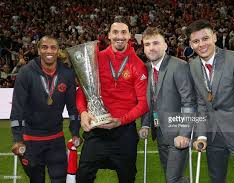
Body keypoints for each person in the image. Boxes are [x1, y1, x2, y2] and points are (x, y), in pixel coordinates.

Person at [186, 19, 234, 183]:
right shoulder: (192, 66)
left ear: (214, 37)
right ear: (190, 45)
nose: (201, 44)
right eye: (196, 41)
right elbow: (201, 103)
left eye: (205, 38)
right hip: (213, 137)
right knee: (216, 179)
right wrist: (201, 136)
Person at [76, 17, 148, 183]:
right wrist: (83, 112)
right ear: (108, 35)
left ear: (130, 35)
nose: (119, 36)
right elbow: (82, 91)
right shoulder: (96, 59)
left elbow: (144, 103)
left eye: (124, 32)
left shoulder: (137, 65)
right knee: (83, 177)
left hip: (124, 132)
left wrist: (120, 121)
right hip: (96, 130)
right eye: (115, 32)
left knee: (127, 178)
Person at [10, 36, 81, 183]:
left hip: (56, 140)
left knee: (59, 179)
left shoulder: (66, 74)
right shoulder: (26, 73)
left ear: (57, 51)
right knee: (37, 180)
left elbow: (73, 109)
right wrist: (18, 139)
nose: (49, 51)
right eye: (44, 47)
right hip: (31, 141)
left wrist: (75, 133)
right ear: (39, 50)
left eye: (53, 47)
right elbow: (17, 109)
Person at [139, 27, 196, 183]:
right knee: (172, 178)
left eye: (156, 43)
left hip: (178, 133)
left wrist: (184, 133)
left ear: (165, 46)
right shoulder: (147, 68)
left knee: (173, 178)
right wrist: (145, 125)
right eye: (147, 44)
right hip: (160, 132)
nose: (151, 47)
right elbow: (151, 99)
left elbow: (188, 101)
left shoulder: (179, 66)